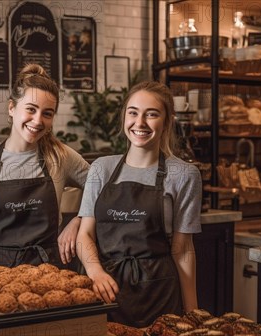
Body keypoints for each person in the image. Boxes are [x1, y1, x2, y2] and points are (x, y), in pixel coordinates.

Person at [76, 81, 201, 328]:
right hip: (104, 292)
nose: (140, 123)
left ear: (167, 120)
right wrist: (95, 272)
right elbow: (85, 234)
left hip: (158, 293)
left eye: (151, 114)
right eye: (133, 112)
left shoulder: (184, 174)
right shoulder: (102, 169)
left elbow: (183, 249)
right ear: (124, 117)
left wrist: (193, 313)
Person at [0, 64, 89, 275]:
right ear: (12, 108)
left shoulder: (60, 156)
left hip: (47, 271)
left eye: (47, 113)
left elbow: (104, 188)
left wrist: (78, 221)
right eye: (31, 109)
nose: (38, 120)